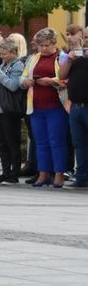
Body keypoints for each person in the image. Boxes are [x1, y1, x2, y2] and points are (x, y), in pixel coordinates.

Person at [19, 28, 68, 187]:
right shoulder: (33, 58)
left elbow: (66, 79)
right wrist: (25, 82)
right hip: (36, 106)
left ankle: (59, 174)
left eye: (47, 45)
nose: (43, 48)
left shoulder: (62, 58)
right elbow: (23, 77)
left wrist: (52, 81)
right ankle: (42, 173)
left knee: (57, 141)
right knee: (40, 142)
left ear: (54, 43)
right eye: (40, 45)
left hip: (56, 106)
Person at [0, 38, 26, 185]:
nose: (1, 57)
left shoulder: (17, 66)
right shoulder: (2, 65)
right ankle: (5, 172)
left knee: (12, 142)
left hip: (9, 110)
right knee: (2, 143)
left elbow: (13, 85)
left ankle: (14, 174)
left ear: (14, 52)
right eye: (1, 54)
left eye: (4, 54)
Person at [61, 26, 87, 188]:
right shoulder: (77, 55)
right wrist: (69, 60)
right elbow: (62, 76)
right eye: (86, 36)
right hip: (76, 106)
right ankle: (82, 176)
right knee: (79, 143)